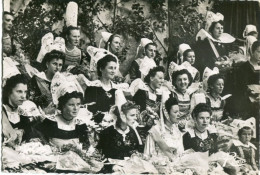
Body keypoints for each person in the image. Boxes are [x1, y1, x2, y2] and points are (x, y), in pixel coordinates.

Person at [84, 48, 125, 115]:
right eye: (110, 68)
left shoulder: (116, 88)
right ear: (101, 69)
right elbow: (89, 110)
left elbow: (123, 110)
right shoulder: (93, 87)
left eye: (115, 68)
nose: (113, 71)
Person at [2, 74, 36, 142]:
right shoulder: (2, 111)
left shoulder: (24, 112)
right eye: (19, 91)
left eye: (25, 92)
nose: (23, 96)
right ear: (9, 92)